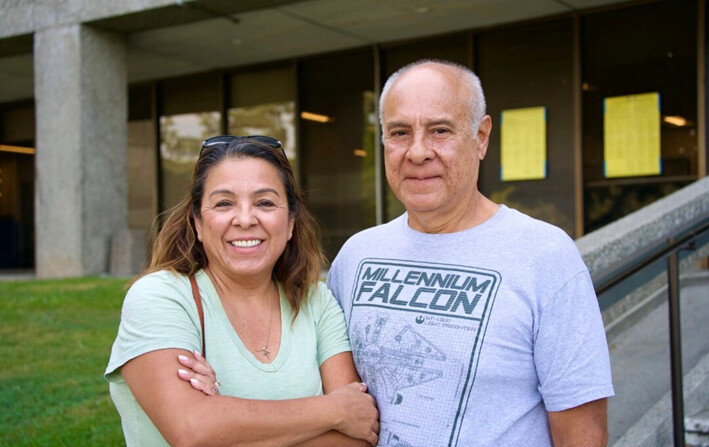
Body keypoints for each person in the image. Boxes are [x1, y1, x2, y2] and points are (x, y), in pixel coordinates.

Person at [325, 59, 614, 446]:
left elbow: (582, 436)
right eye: (399, 132)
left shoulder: (545, 255)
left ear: (481, 137)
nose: (417, 152)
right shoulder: (356, 257)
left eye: (440, 130)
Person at [105, 135, 379, 447]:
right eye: (224, 203)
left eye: (264, 203)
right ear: (197, 222)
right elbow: (191, 430)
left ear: (290, 222)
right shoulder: (160, 297)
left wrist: (225, 419)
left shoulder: (316, 301)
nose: (246, 219)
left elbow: (358, 434)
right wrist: (333, 410)